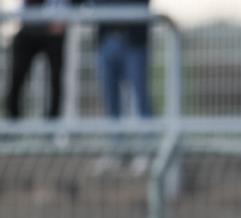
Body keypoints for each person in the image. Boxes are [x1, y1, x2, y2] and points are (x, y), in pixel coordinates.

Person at [91, 0, 152, 176]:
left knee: (141, 97)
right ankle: (115, 150)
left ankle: (145, 151)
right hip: (107, 39)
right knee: (111, 100)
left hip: (134, 40)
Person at [5, 0, 81, 120]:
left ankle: (52, 123)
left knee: (56, 78)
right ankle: (13, 119)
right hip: (29, 28)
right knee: (17, 75)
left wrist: (64, 18)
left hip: (54, 31)